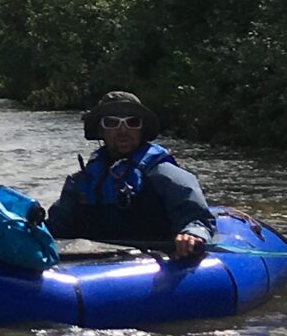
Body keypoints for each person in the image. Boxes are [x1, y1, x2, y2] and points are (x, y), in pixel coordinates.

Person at [48, 90, 218, 262]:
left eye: (132, 122)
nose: (123, 130)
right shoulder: (80, 183)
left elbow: (198, 219)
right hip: (94, 265)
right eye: (112, 123)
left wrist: (192, 234)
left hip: (153, 262)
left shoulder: (165, 175)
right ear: (100, 131)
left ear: (142, 130)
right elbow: (56, 229)